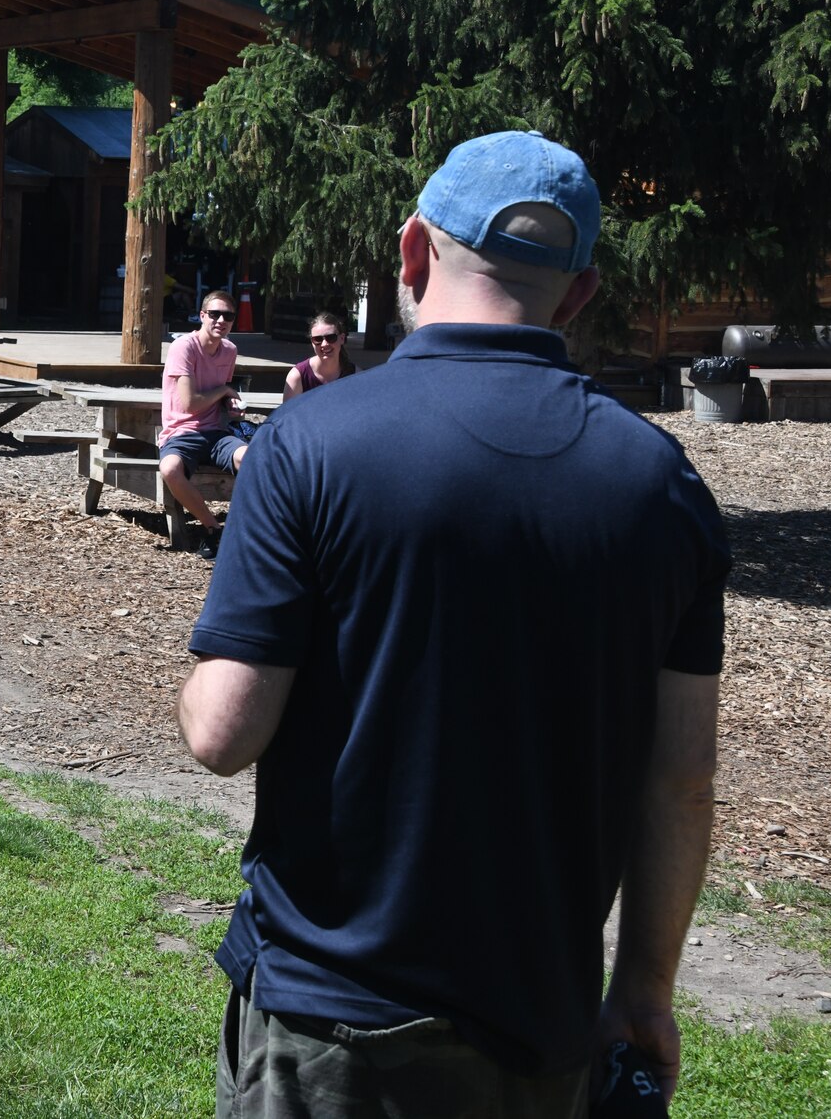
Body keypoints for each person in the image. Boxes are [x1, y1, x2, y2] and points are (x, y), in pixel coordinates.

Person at [177, 131, 730, 1117]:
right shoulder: (662, 490)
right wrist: (643, 989)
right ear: (576, 296)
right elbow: (681, 777)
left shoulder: (307, 446)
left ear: (411, 254)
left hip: (326, 1025)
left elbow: (222, 733)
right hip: (537, 1035)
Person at [158, 288, 252, 560]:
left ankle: (244, 528)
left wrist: (231, 405)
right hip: (181, 432)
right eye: (215, 314)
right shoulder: (183, 347)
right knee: (170, 468)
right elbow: (189, 403)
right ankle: (213, 528)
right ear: (202, 316)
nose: (221, 320)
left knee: (251, 458)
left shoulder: (230, 350)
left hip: (216, 432)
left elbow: (215, 395)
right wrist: (224, 391)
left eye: (228, 316)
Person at [280, 310, 357, 402]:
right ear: (312, 342)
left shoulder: (356, 375)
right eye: (317, 339)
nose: (324, 344)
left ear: (342, 339)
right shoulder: (297, 377)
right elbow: (288, 415)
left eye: (331, 337)